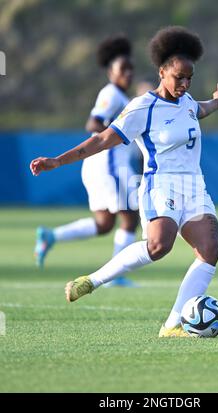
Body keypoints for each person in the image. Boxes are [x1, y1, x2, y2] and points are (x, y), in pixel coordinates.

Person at [30, 26, 218, 337]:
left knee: (210, 248)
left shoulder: (187, 101)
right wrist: (57, 161)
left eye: (190, 78)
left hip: (195, 186)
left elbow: (198, 110)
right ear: (162, 71)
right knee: (159, 246)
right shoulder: (141, 108)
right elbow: (100, 140)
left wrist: (216, 102)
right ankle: (93, 280)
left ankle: (172, 325)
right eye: (179, 77)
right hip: (160, 185)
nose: (186, 83)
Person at [34, 34, 140, 287]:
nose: (128, 73)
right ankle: (118, 274)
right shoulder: (111, 93)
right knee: (130, 217)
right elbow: (93, 122)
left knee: (105, 224)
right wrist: (112, 133)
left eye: (130, 68)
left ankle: (51, 236)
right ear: (110, 72)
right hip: (110, 163)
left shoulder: (122, 96)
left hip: (100, 164)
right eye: (122, 69)